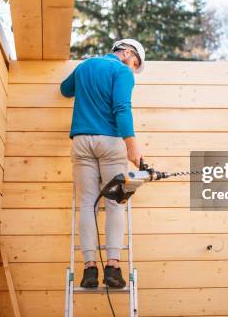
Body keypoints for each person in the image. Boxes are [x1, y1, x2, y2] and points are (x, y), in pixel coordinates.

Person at [60, 39, 146, 289]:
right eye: (135, 62)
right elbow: (122, 108)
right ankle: (112, 267)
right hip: (110, 143)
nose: (133, 68)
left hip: (81, 142)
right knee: (115, 203)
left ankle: (89, 270)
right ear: (127, 53)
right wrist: (132, 146)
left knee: (87, 204)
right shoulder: (122, 72)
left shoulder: (86, 66)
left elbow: (65, 90)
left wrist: (85, 78)